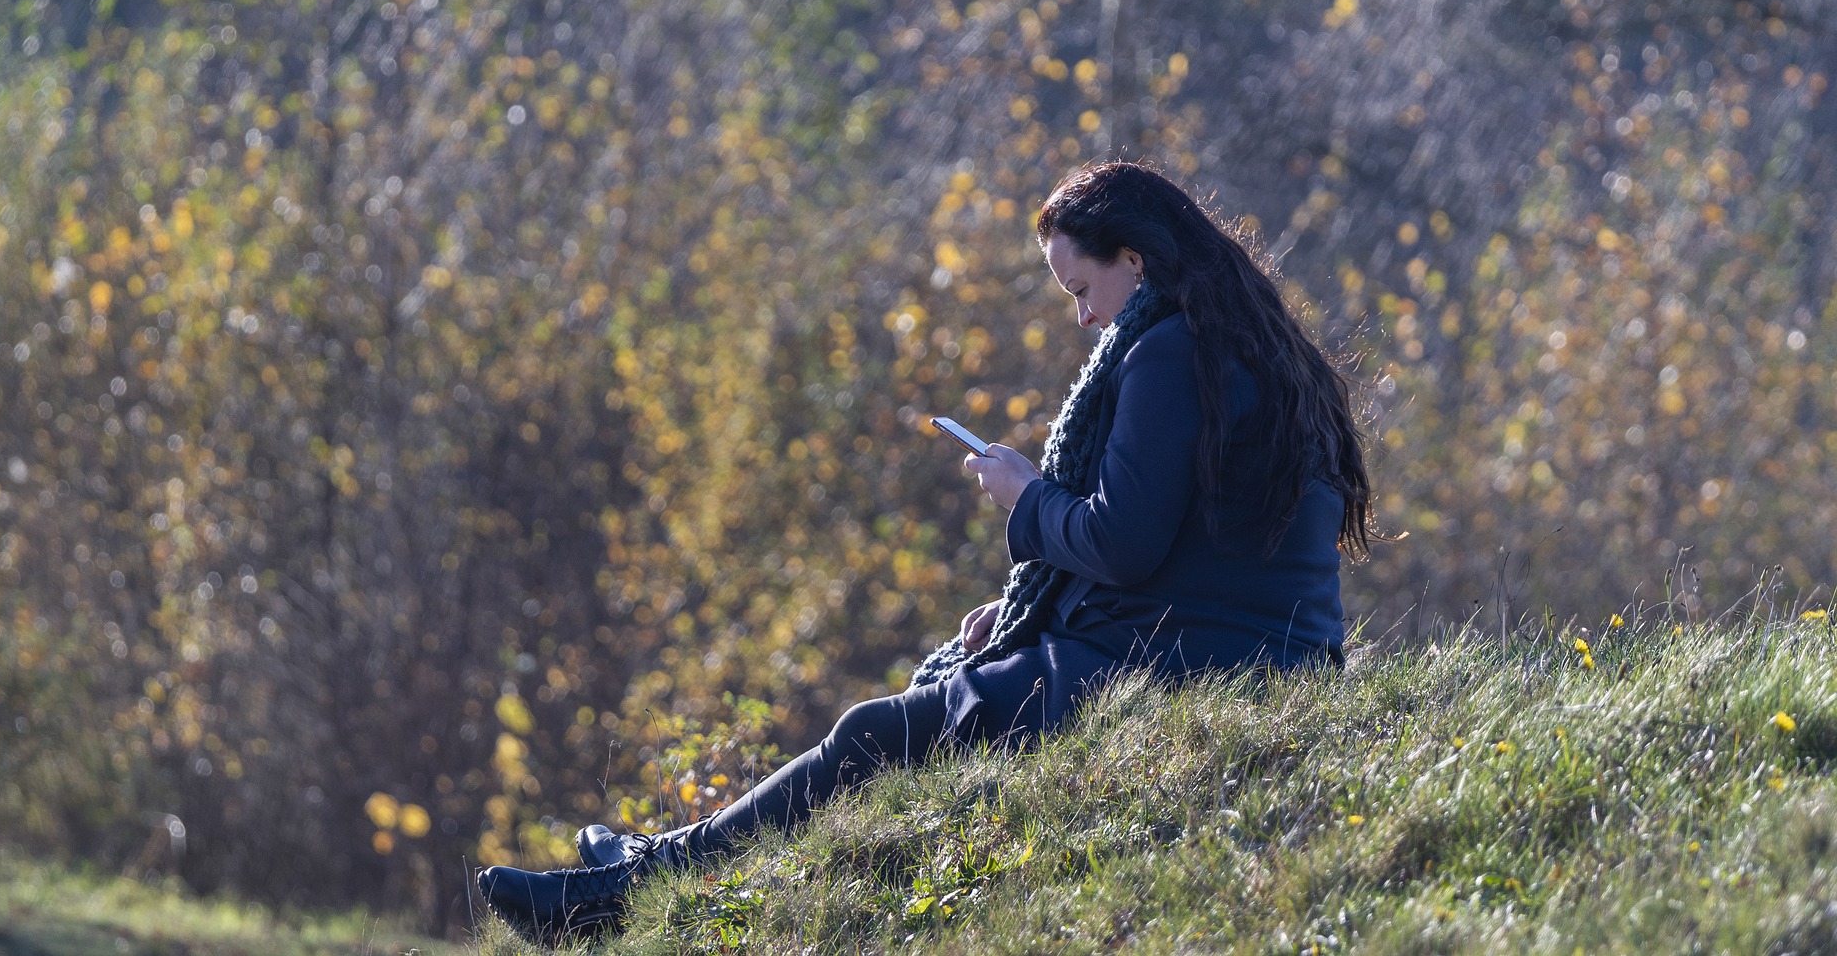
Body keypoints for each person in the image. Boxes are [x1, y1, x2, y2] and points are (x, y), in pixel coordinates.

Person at [477, 160, 1374, 941]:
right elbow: (1194, 556)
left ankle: (633, 892)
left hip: (1195, 667)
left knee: (874, 731)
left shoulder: (1168, 355)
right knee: (917, 711)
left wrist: (1027, 498)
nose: (1081, 320)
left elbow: (1124, 542)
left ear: (1133, 261)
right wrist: (1037, 606)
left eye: (1080, 291)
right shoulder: (1247, 347)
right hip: (1252, 651)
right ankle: (651, 864)